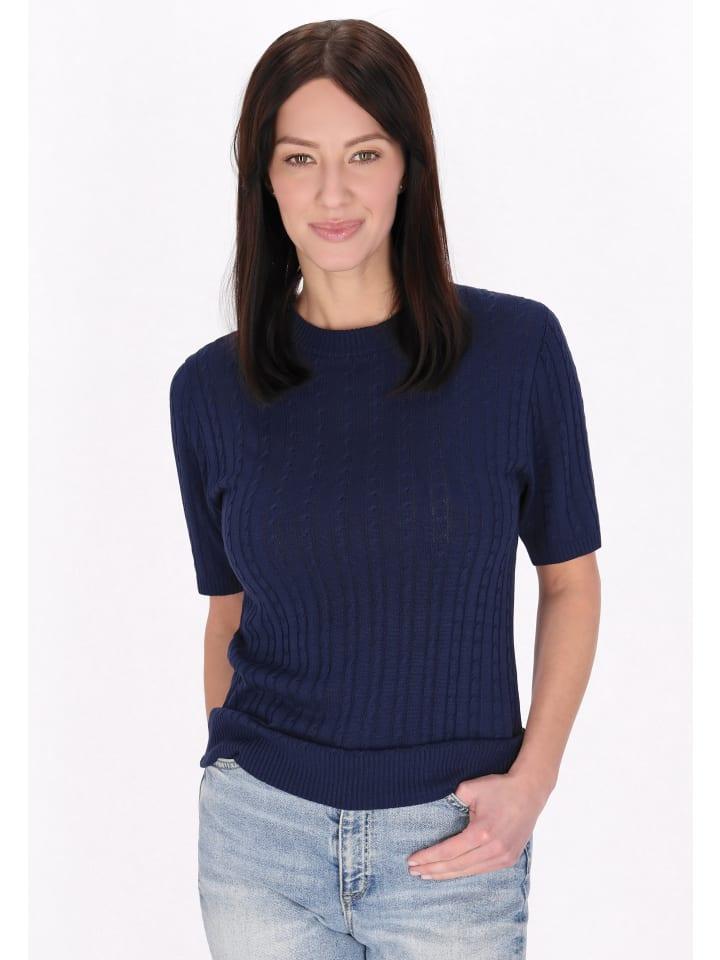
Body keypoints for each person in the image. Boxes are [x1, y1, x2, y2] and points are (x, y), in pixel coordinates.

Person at [169, 18, 602, 960]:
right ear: (265, 178)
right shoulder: (208, 390)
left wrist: (533, 782)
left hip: (453, 846)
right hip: (259, 847)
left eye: (363, 154)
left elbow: (570, 581)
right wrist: (232, 770)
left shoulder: (518, 352)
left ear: (409, 166)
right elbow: (226, 612)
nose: (333, 193)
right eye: (300, 158)